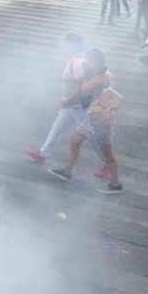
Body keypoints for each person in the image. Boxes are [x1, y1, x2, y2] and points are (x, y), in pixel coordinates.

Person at [48, 49, 123, 194]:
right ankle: (67, 171)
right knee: (75, 139)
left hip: (100, 119)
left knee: (107, 152)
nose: (86, 64)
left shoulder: (100, 78)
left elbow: (81, 92)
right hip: (93, 116)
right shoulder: (100, 74)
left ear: (97, 62)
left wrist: (66, 102)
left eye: (89, 61)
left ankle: (115, 184)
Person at [25, 33, 87, 165]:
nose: (64, 47)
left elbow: (82, 85)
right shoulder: (74, 59)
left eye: (67, 44)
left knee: (93, 134)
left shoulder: (77, 62)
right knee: (57, 128)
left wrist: (70, 100)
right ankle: (42, 154)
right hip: (70, 104)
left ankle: (108, 164)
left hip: (77, 105)